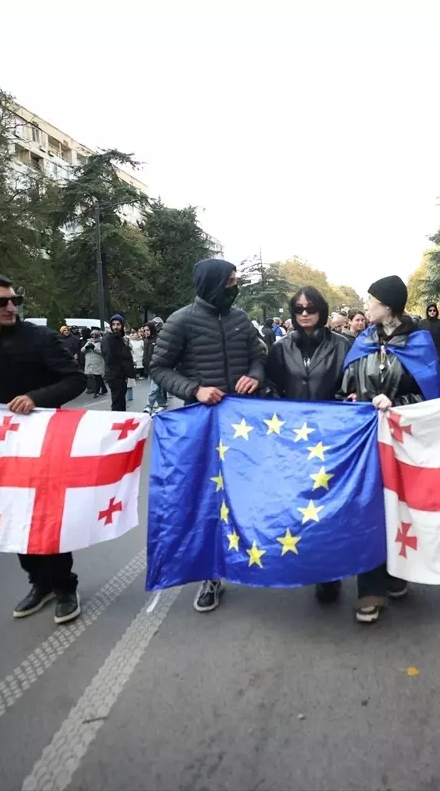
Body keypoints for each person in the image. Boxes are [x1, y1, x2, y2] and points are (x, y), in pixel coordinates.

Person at [0, 273, 88, 625]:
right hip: (0, 446)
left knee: (44, 514)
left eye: (15, 300)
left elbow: (75, 379)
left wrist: (35, 398)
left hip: (43, 440)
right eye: (1, 302)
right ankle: (38, 582)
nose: (11, 306)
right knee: (14, 515)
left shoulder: (40, 339)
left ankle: (64, 587)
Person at [150, 258, 267, 614]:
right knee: (208, 500)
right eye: (230, 282)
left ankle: (257, 556)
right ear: (213, 284)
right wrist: (194, 389)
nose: (235, 287)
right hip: (202, 424)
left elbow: (259, 355)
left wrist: (255, 374)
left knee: (249, 493)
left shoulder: (241, 319)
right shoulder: (180, 320)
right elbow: (158, 368)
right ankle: (210, 574)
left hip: (243, 422)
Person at [342, 275, 440, 624]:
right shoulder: (363, 340)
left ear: (388, 306)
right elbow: (346, 386)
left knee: (400, 506)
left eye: (371, 301)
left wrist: (396, 402)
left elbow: (431, 396)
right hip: (366, 442)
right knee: (368, 507)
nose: (366, 306)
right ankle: (370, 590)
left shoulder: (419, 341)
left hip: (404, 442)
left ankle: (397, 571)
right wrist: (353, 398)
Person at [265, 286, 353, 606]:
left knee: (328, 506)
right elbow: (270, 386)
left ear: (322, 311)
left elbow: (351, 385)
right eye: (299, 308)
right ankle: (303, 560)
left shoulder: (344, 345)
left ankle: (327, 573)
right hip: (293, 440)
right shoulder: (279, 348)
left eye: (310, 308)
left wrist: (345, 404)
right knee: (299, 504)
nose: (304, 314)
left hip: (332, 438)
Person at [101, 315, 135, 412]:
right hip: (114, 375)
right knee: (117, 402)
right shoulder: (108, 338)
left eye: (118, 324)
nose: (116, 327)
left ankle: (121, 420)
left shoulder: (119, 338)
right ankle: (117, 422)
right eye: (114, 324)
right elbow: (110, 358)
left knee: (121, 400)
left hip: (120, 375)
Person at [418, 303, 440, 374]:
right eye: (430, 310)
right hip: (426, 352)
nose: (432, 312)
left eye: (434, 310)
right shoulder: (422, 323)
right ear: (427, 312)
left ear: (436, 311)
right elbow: (418, 338)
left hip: (439, 351)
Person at [81, 332, 106, 397]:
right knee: (97, 377)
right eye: (92, 336)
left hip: (98, 362)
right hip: (90, 362)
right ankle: (104, 389)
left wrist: (94, 348)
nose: (94, 338)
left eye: (95, 336)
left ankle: (96, 392)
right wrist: (86, 347)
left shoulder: (101, 342)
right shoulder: (89, 342)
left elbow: (103, 352)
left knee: (97, 376)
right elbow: (82, 350)